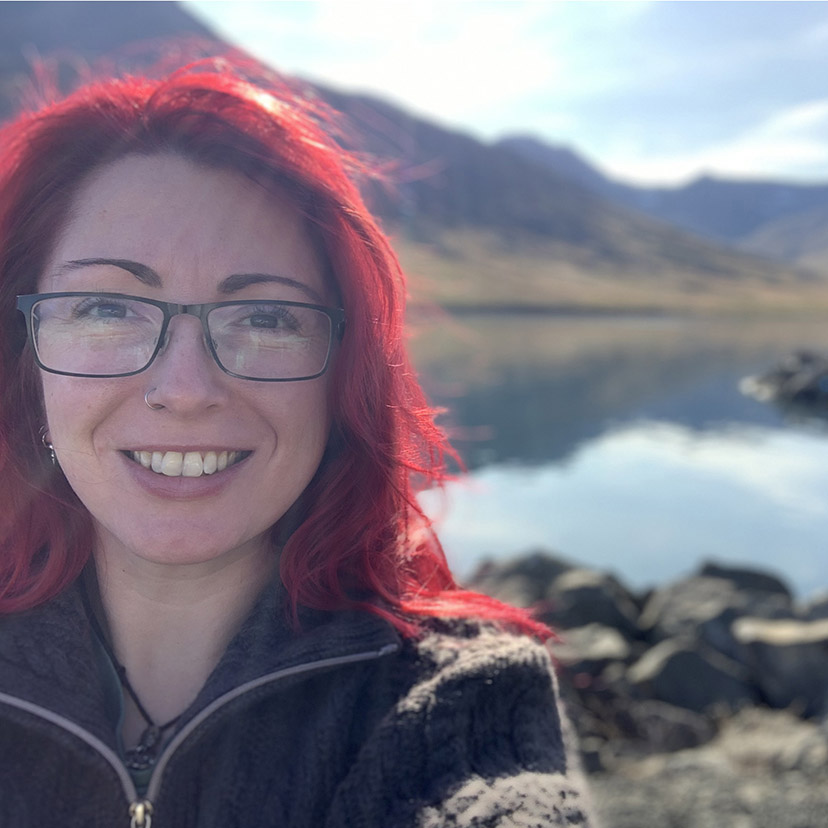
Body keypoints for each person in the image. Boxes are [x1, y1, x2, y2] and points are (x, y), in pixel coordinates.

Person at [0, 59, 595, 828]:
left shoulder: (459, 696)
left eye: (267, 318)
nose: (186, 388)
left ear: (342, 378)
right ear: (23, 359)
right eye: (107, 308)